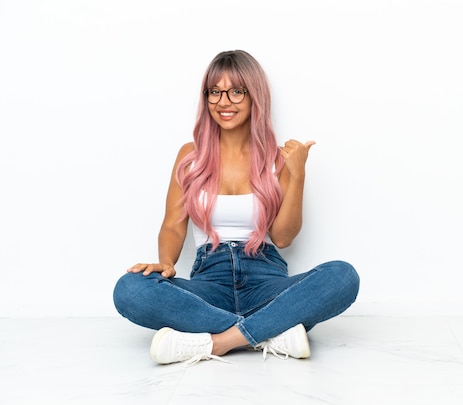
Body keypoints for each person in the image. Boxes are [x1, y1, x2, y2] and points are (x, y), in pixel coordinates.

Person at [113, 50, 360, 365]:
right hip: (208, 282)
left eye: (236, 91)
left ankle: (217, 342)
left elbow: (283, 238)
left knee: (342, 276)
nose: (223, 101)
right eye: (214, 92)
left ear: (254, 96)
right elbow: (173, 224)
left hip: (265, 279)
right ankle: (269, 330)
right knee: (130, 289)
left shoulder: (277, 158)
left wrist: (296, 174)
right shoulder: (190, 156)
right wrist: (166, 263)